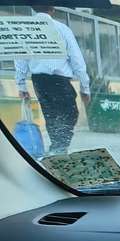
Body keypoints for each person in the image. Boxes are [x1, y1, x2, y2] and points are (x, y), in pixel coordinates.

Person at [14, 6, 90, 155]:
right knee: (69, 113)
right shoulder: (62, 29)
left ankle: (57, 147)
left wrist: (21, 85)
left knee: (51, 114)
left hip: (39, 81)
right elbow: (77, 60)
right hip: (59, 80)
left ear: (33, 8)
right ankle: (58, 148)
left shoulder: (25, 29)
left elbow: (20, 58)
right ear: (52, 9)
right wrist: (84, 87)